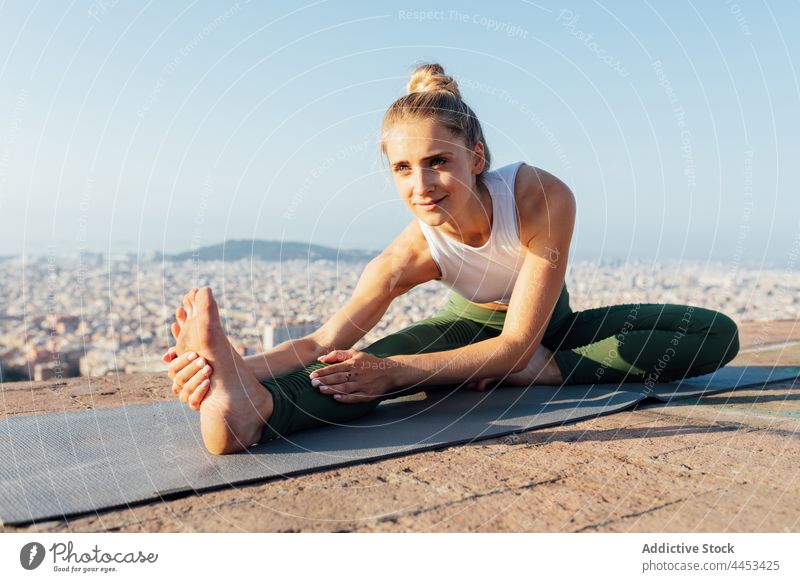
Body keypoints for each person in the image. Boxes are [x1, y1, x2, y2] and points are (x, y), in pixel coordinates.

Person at [162, 63, 740, 455]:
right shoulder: (410, 252)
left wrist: (514, 364)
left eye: (438, 161)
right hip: (467, 331)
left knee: (714, 334)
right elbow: (320, 341)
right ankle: (252, 411)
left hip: (547, 333)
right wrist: (234, 369)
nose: (421, 185)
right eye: (402, 169)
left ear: (477, 156)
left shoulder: (540, 197)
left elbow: (516, 342)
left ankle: (540, 373)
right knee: (364, 368)